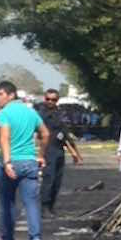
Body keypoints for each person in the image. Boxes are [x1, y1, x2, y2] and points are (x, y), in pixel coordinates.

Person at [0, 80, 50, 240]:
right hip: (29, 162)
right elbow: (45, 133)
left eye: (1, 94)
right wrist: (41, 155)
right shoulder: (31, 112)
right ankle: (36, 239)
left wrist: (7, 162)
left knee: (8, 203)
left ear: (11, 95)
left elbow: (5, 138)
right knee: (31, 203)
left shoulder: (4, 113)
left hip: (12, 162)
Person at [37, 87, 83, 216]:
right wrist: (39, 154)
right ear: (44, 99)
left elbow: (65, 135)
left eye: (54, 99)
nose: (51, 102)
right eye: (48, 99)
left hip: (59, 149)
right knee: (48, 180)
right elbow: (37, 135)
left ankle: (51, 206)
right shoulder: (41, 114)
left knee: (57, 181)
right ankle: (44, 207)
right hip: (47, 150)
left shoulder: (59, 114)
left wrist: (75, 153)